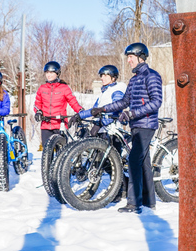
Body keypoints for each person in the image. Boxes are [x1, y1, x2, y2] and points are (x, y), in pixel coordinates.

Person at [90, 43, 162, 214]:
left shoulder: (152, 76)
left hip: (146, 124)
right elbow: (124, 102)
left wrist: (132, 113)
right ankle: (148, 200)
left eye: (130, 57)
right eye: (128, 57)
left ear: (140, 57)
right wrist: (104, 109)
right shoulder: (135, 79)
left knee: (133, 161)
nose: (128, 60)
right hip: (136, 125)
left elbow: (156, 102)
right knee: (143, 163)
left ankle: (133, 203)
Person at [33, 61, 83, 149]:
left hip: (60, 124)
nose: (49, 75)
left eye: (51, 73)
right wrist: (38, 112)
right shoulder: (42, 88)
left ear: (57, 73)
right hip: (46, 123)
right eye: (47, 73)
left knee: (61, 151)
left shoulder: (64, 88)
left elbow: (72, 101)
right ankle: (48, 163)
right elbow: (37, 103)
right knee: (47, 152)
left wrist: (80, 111)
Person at [70, 65, 127, 131]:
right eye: (101, 75)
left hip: (112, 130)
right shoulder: (104, 93)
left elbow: (116, 108)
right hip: (102, 129)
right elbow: (94, 110)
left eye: (105, 76)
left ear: (113, 78)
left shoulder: (117, 91)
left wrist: (101, 123)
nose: (102, 78)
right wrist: (80, 115)